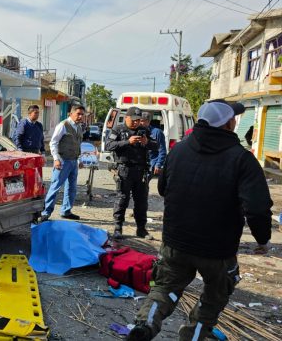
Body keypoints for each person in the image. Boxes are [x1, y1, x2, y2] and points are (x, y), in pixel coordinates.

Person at [127, 101, 272, 341]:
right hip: (217, 249)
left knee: (165, 288)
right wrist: (263, 239)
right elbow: (257, 208)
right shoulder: (242, 159)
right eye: (234, 118)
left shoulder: (179, 151)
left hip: (176, 241)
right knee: (214, 296)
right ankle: (192, 336)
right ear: (228, 123)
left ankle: (145, 326)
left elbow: (163, 188)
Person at [105, 106, 158, 240]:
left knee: (141, 202)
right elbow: (109, 145)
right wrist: (127, 142)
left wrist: (147, 142)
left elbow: (156, 145)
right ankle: (118, 227)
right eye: (133, 120)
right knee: (122, 199)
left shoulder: (144, 130)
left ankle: (141, 229)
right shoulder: (118, 129)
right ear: (127, 117)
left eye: (138, 120)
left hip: (141, 171)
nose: (136, 123)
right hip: (124, 170)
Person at [40, 104, 85, 221]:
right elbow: (53, 143)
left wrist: (79, 159)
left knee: (72, 188)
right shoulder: (63, 125)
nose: (80, 117)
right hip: (63, 161)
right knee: (55, 187)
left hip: (73, 161)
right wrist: (56, 159)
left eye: (82, 115)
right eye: (78, 114)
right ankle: (46, 212)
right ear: (71, 113)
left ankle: (66, 211)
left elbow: (78, 145)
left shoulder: (79, 127)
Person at [140, 112, 167, 178]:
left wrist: (158, 164)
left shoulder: (157, 132)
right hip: (139, 163)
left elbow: (162, 150)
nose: (140, 123)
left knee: (144, 184)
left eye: (142, 121)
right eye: (139, 121)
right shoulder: (136, 131)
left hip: (151, 163)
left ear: (148, 121)